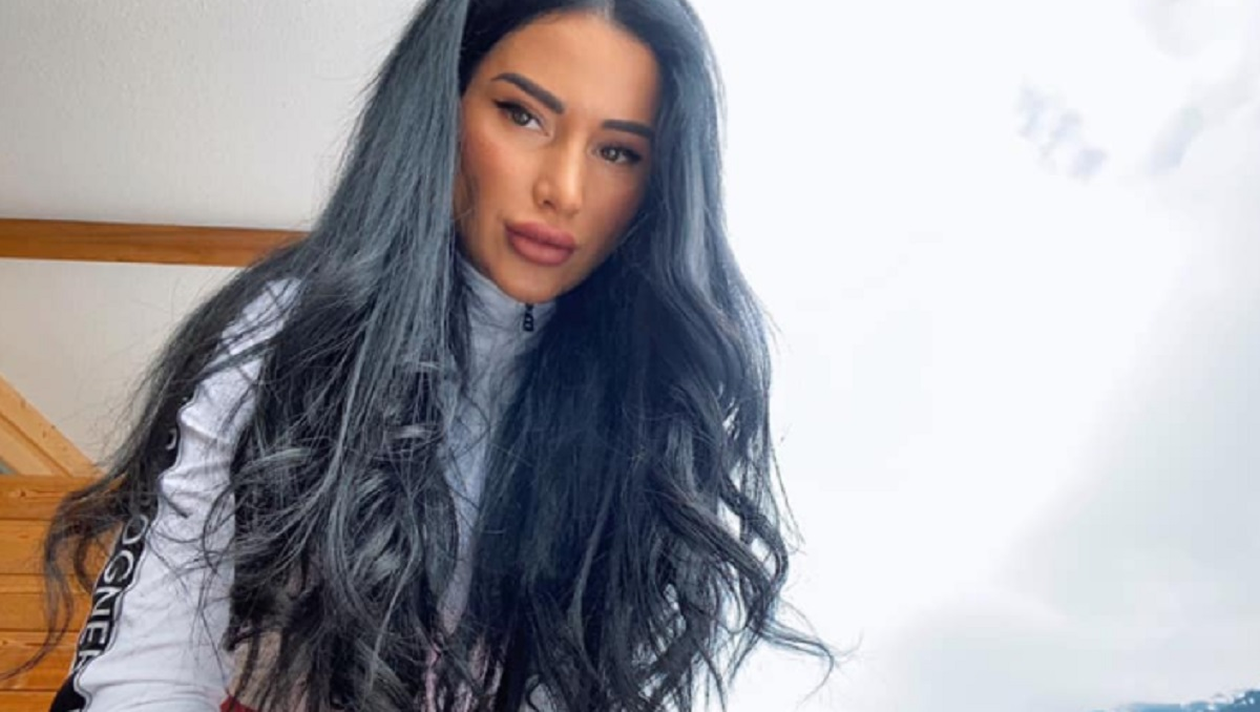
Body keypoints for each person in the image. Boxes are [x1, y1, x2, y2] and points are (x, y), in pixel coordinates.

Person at [29, 0, 831, 709]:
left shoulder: (655, 396)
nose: (564, 189)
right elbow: (151, 659)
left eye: (618, 152)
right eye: (522, 115)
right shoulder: (281, 331)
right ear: (441, 105)